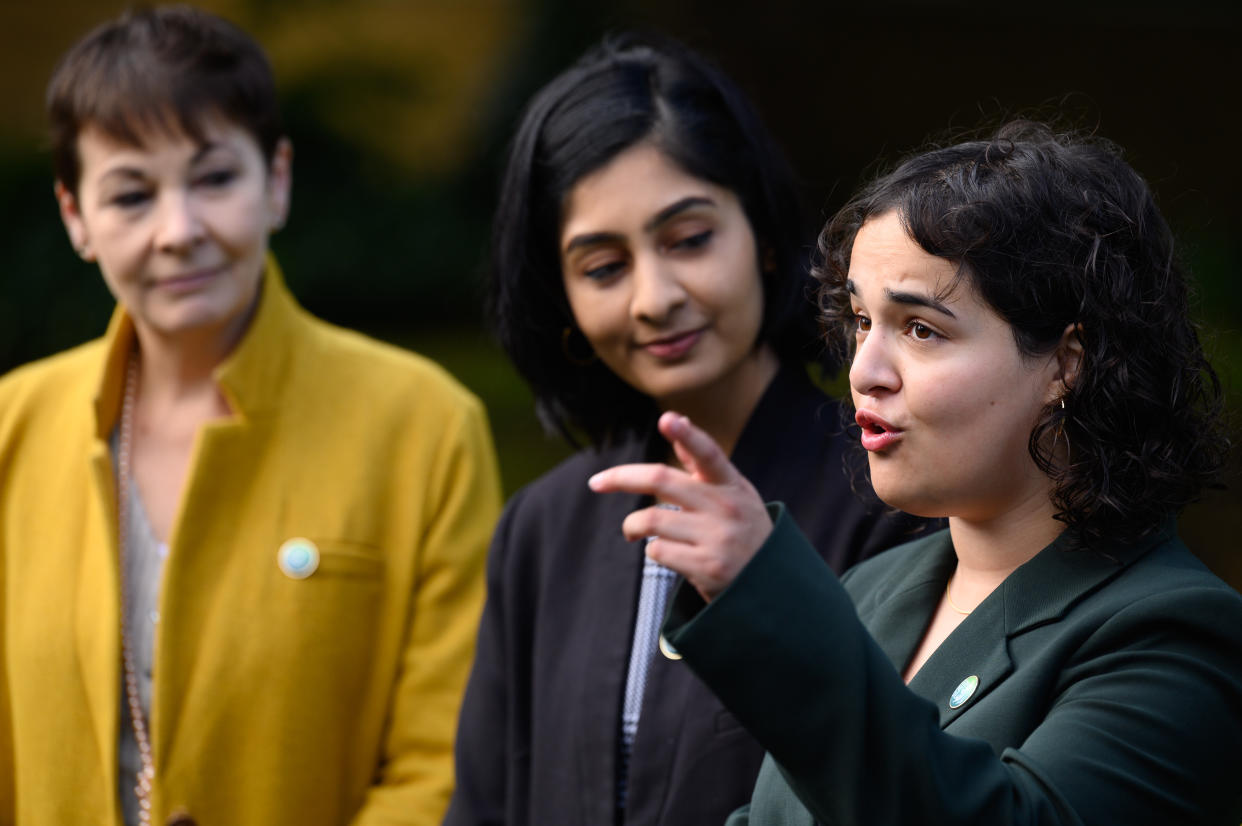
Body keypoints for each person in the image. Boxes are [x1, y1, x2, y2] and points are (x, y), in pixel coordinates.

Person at [587, 120, 1242, 824]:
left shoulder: (1173, 633)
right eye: (862, 321)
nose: (864, 372)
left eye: (921, 329)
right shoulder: (874, 588)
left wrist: (769, 599)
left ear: (1066, 365)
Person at [0, 7, 501, 825]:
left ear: (277, 180)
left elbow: (447, 758)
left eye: (214, 179)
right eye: (131, 195)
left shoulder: (423, 425)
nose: (179, 232)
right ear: (75, 218)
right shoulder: (12, 430)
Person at [445, 34, 935, 826]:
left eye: (689, 239)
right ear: (560, 298)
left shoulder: (889, 496)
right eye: (603, 266)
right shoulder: (540, 529)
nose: (654, 297)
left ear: (765, 240)